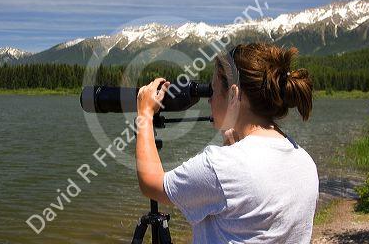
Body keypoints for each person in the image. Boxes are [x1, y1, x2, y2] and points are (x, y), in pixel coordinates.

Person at [135, 43, 319, 243]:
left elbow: (152, 185)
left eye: (212, 91)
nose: (209, 100)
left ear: (233, 94)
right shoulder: (304, 161)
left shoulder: (221, 166)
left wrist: (145, 113)